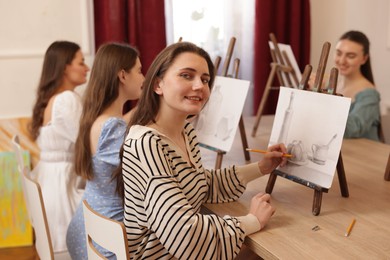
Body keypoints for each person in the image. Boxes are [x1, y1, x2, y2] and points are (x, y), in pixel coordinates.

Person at [115, 41, 287, 259]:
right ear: (158, 85)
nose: (199, 86)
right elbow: (182, 234)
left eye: (205, 80)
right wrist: (251, 220)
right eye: (187, 75)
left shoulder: (185, 131)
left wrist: (262, 167)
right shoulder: (146, 144)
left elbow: (202, 184)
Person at [66, 42, 144, 259]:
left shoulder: (98, 118)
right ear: (122, 75)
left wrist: (145, 107)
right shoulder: (112, 127)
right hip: (106, 238)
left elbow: (121, 123)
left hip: (86, 223)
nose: (144, 78)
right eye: (139, 70)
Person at [29, 40, 89, 253]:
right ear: (65, 67)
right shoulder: (66, 99)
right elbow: (89, 144)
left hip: (52, 185)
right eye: (81, 62)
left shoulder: (54, 99)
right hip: (63, 189)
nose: (87, 68)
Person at [334, 30, 381, 141]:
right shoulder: (331, 85)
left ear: (364, 59)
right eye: (338, 53)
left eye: (350, 56)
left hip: (363, 155)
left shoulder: (369, 94)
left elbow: (352, 129)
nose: (342, 61)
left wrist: (322, 98)